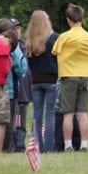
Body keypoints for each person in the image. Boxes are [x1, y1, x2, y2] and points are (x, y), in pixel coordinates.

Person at [52, 3, 88, 152]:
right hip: (85, 77)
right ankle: (84, 145)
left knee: (68, 114)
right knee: (83, 113)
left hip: (68, 77)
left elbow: (55, 52)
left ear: (68, 20)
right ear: (82, 18)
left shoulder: (64, 37)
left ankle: (68, 145)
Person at [26, 10, 60, 153]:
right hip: (51, 79)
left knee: (37, 115)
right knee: (50, 115)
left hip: (36, 80)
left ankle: (37, 145)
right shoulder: (54, 38)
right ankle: (49, 147)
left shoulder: (30, 40)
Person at [11, 18, 32, 153]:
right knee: (12, 120)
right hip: (12, 89)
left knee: (22, 121)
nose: (16, 30)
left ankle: (20, 146)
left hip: (24, 89)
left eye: (18, 28)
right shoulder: (7, 47)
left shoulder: (26, 47)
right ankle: (12, 145)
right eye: (13, 28)